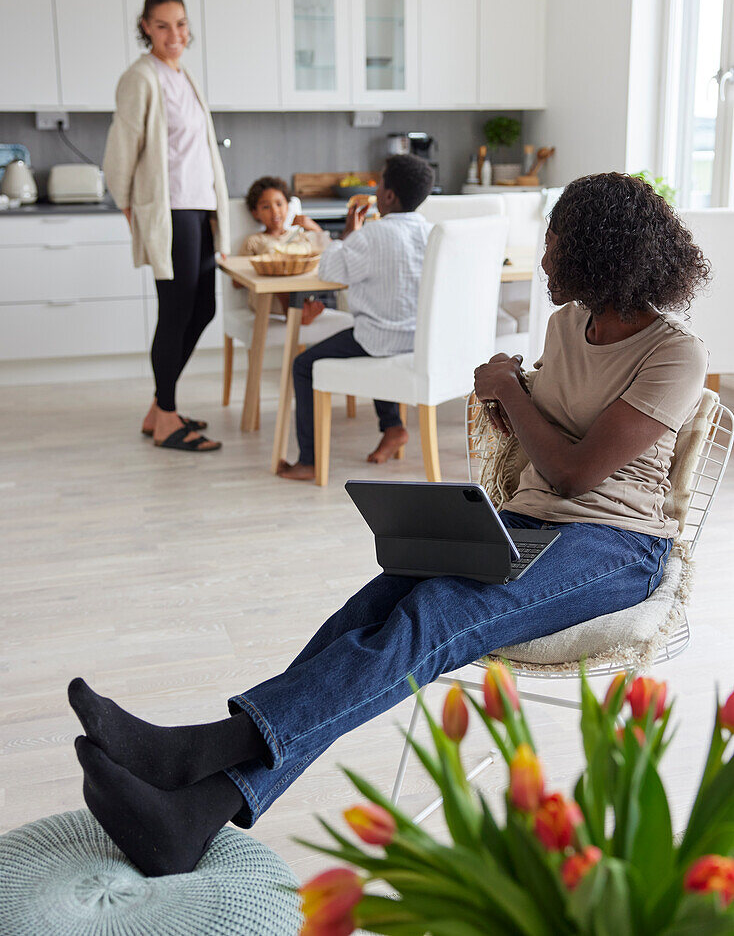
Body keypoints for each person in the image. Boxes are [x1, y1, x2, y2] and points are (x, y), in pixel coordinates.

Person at [69, 172, 709, 878]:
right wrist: (512, 402)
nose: (546, 258)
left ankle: (195, 753)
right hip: (526, 518)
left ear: (598, 251)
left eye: (554, 243)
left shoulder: (674, 353)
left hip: (616, 545)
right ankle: (193, 813)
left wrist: (506, 391)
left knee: (435, 615)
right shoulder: (565, 326)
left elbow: (577, 473)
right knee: (370, 607)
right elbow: (546, 445)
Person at [104, 0, 230, 453]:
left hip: (197, 208)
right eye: (162, 25)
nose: (174, 33)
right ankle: (167, 419)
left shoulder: (180, 73)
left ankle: (161, 406)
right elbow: (121, 149)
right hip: (170, 210)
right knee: (177, 311)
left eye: (180, 24)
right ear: (146, 28)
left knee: (203, 308)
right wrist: (127, 204)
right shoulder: (142, 77)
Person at [277, 153, 436, 480]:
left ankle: (308, 461)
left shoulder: (371, 236)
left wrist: (350, 233)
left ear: (389, 195)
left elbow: (330, 271)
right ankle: (392, 427)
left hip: (382, 339)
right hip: (423, 340)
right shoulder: (433, 233)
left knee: (304, 365)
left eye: (379, 184)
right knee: (370, 326)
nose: (376, 190)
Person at [237, 175, 326, 326]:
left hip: (299, 291)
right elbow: (236, 281)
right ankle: (297, 310)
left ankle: (301, 308)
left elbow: (328, 252)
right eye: (266, 207)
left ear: (288, 206)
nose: (274, 211)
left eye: (279, 204)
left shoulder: (299, 235)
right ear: (255, 213)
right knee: (273, 259)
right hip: (267, 301)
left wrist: (312, 226)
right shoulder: (255, 241)